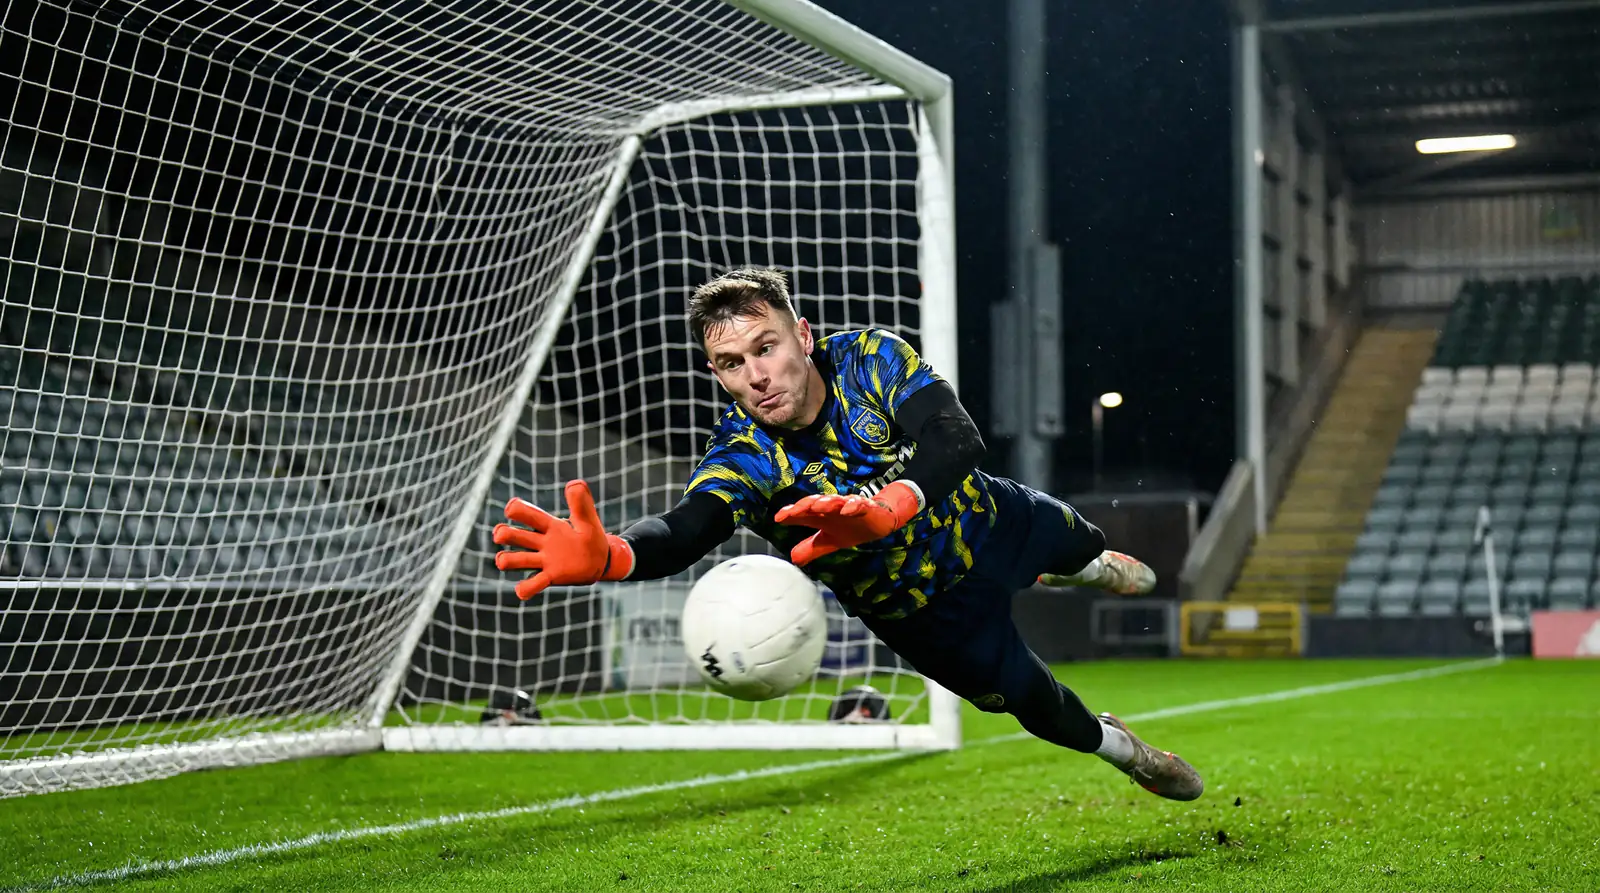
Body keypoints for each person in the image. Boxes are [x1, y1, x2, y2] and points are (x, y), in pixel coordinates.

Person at [492, 268, 1203, 802]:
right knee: (1035, 704)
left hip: (990, 521)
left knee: (1088, 544)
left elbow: (956, 437)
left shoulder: (868, 358)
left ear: (801, 336)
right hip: (924, 614)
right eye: (733, 364)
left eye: (766, 347)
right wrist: (616, 554)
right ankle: (1128, 752)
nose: (757, 376)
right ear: (717, 374)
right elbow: (686, 528)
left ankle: (1079, 568)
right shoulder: (743, 455)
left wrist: (891, 506)